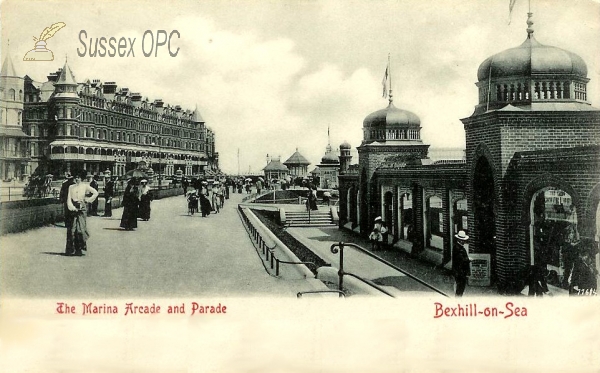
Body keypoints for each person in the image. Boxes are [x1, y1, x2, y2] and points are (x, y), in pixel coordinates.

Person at [66, 170, 99, 256]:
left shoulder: (85, 186)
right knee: (72, 229)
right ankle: (71, 249)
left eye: (79, 177)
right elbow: (68, 199)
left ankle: (79, 248)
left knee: (80, 229)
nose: (77, 179)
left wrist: (88, 200)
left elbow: (95, 193)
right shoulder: (71, 187)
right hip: (73, 208)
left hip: (82, 208)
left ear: (82, 178)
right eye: (76, 177)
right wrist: (72, 207)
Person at [438, 230, 471, 297]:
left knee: (460, 288)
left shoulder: (459, 247)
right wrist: (468, 259)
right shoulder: (457, 248)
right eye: (463, 240)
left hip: (460, 272)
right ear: (459, 240)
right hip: (460, 272)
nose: (464, 241)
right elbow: (460, 259)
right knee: (460, 288)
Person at [59, 172, 75, 254]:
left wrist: (62, 200)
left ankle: (69, 248)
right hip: (74, 206)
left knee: (69, 226)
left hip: (67, 204)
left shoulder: (65, 184)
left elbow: (61, 194)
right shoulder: (74, 185)